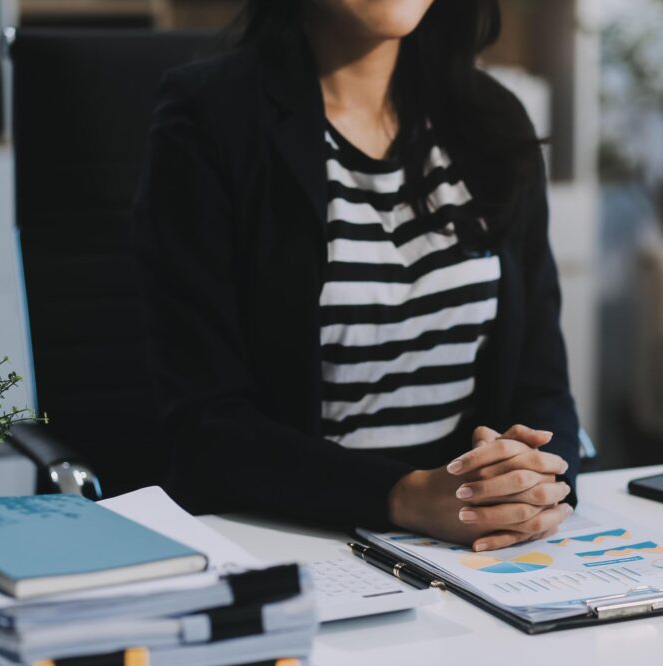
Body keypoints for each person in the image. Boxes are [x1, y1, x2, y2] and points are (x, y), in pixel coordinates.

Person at [134, 0, 581, 552]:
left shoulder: (492, 121)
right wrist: (406, 495)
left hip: (468, 548)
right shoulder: (209, 119)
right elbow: (206, 427)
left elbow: (541, 382)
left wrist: (533, 479)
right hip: (289, 537)